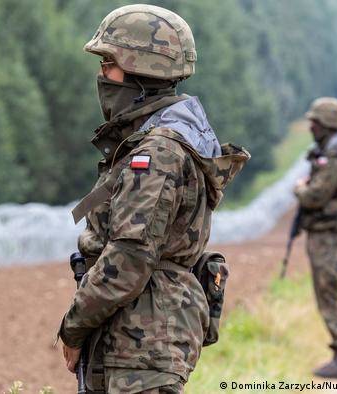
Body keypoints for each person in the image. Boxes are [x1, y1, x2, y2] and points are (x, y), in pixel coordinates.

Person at [57, 4, 249, 393]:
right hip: (139, 338)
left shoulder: (157, 152)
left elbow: (130, 256)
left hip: (142, 344)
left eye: (108, 64)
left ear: (139, 69)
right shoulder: (158, 141)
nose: (102, 75)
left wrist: (73, 326)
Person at [294, 97, 337, 379]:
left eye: (315, 121)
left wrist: (300, 189)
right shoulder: (334, 150)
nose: (311, 126)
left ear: (328, 123)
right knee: (327, 291)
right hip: (327, 229)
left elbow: (315, 196)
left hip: (330, 230)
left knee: (330, 291)